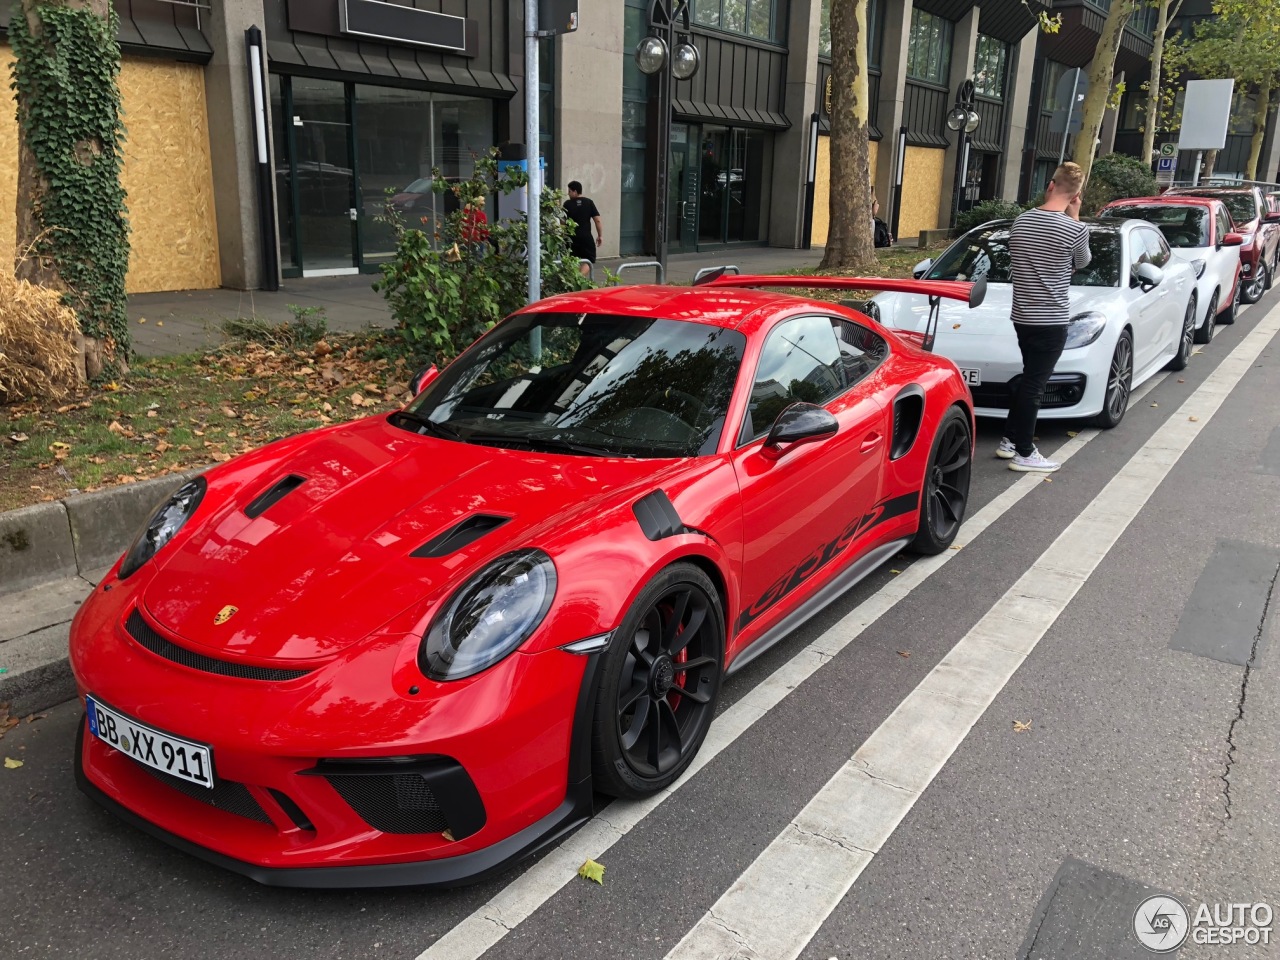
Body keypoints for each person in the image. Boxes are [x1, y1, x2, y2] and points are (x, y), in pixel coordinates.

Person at [998, 161, 1091, 474]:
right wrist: (1075, 216)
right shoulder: (1076, 230)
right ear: (1077, 194)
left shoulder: (1022, 221)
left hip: (1022, 315)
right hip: (1051, 317)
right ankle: (1024, 451)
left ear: (1051, 185)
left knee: (1030, 378)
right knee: (1035, 384)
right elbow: (1082, 262)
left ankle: (1010, 439)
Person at [565, 181, 602, 276]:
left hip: (571, 238)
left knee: (573, 260)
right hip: (586, 237)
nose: (568, 193)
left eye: (569, 191)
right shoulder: (589, 202)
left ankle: (574, 279)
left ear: (575, 192)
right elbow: (597, 220)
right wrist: (600, 235)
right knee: (588, 259)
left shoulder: (567, 204)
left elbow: (562, 223)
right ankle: (579, 278)